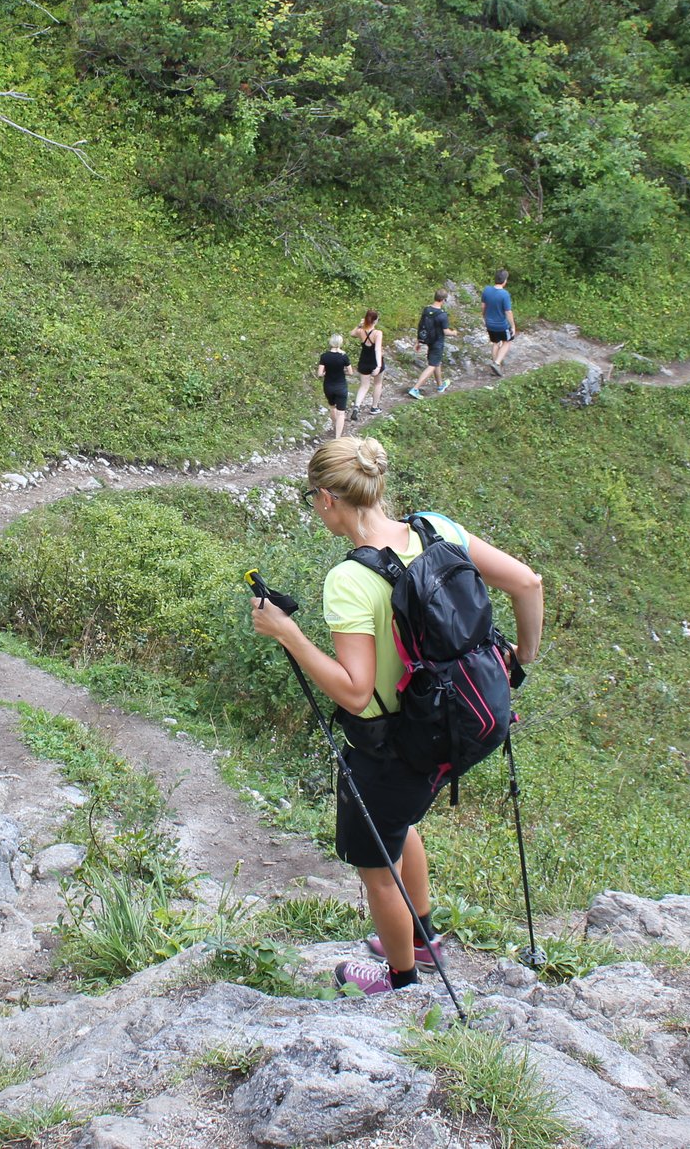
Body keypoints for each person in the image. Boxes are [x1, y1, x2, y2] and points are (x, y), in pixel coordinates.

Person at [249, 438, 543, 996]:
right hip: (465, 720)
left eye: (314, 496)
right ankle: (422, 938)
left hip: (396, 745)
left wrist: (288, 634)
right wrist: (520, 662)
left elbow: (356, 694)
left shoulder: (350, 580)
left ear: (329, 499)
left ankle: (401, 981)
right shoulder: (437, 529)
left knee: (376, 864)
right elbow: (528, 582)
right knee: (400, 824)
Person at [407, 292, 450, 400]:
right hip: (437, 342)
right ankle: (415, 389)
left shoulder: (426, 310)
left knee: (436, 362)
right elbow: (446, 331)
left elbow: (421, 326)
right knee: (432, 365)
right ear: (444, 300)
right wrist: (454, 333)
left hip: (428, 340)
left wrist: (418, 341)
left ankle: (440, 385)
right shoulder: (442, 314)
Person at [316, 334, 352, 439]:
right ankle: (338, 437)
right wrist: (343, 370)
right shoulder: (344, 356)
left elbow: (319, 373)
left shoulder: (324, 356)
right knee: (341, 413)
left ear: (330, 342)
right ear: (340, 343)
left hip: (328, 386)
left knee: (332, 407)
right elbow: (350, 372)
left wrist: (325, 373)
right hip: (341, 386)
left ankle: (335, 425)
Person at [351, 310, 384, 421]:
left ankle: (356, 407)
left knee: (364, 386)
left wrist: (359, 325)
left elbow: (352, 334)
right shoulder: (377, 333)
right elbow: (377, 349)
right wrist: (378, 365)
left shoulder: (361, 331)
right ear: (375, 320)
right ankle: (374, 407)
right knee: (377, 383)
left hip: (363, 360)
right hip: (374, 361)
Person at [481, 270, 515, 375]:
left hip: (489, 323)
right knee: (507, 342)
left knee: (495, 343)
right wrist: (513, 326)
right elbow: (508, 312)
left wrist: (485, 317)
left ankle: (496, 367)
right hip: (501, 325)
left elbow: (483, 306)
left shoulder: (487, 290)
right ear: (505, 281)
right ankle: (496, 363)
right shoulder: (505, 294)